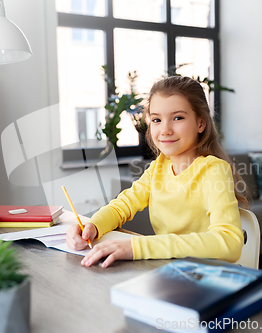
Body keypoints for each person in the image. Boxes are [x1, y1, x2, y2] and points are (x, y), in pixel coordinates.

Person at [66, 76, 248, 268]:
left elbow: (229, 242)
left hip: (205, 274)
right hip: (167, 269)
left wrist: (139, 246)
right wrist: (92, 226)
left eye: (178, 118)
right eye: (156, 120)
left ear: (201, 124)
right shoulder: (157, 168)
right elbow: (122, 206)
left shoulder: (213, 170)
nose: (165, 130)